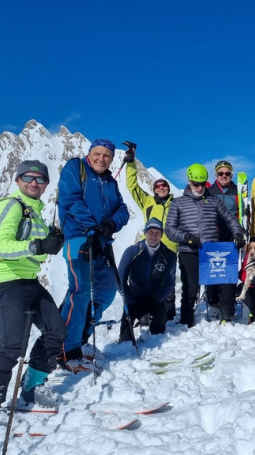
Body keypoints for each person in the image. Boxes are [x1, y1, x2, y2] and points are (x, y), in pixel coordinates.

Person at [0, 160, 65, 425]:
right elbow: (0, 248)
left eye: (40, 179)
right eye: (28, 177)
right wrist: (38, 246)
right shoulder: (10, 206)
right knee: (12, 346)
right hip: (5, 281)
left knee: (56, 330)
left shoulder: (34, 211)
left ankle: (32, 384)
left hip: (28, 280)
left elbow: (38, 246)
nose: (34, 183)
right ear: (17, 180)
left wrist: (52, 241)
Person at [58, 138, 130, 372]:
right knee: (79, 293)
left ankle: (80, 338)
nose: (102, 158)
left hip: (101, 242)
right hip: (79, 238)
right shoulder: (75, 168)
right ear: (90, 154)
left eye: (107, 155)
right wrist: (92, 226)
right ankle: (67, 351)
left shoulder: (109, 180)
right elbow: (70, 200)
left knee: (107, 292)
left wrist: (110, 224)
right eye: (97, 153)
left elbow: (122, 209)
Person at [165, 164, 246, 327]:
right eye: (196, 183)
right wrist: (187, 237)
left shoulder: (213, 200)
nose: (199, 187)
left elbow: (230, 219)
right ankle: (186, 320)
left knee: (223, 282)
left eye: (202, 183)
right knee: (190, 286)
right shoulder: (178, 203)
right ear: (189, 181)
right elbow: (169, 230)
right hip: (189, 250)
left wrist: (238, 233)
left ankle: (227, 315)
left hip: (211, 249)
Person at [122, 146, 178, 322]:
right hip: (149, 247)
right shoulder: (147, 201)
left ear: (169, 188)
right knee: (147, 279)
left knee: (167, 280)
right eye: (157, 186)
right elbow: (132, 186)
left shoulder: (176, 204)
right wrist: (131, 162)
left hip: (169, 247)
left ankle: (167, 314)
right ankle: (143, 312)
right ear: (154, 189)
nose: (161, 188)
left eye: (164, 185)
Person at [117, 218, 177, 341]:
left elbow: (169, 282)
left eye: (157, 233)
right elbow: (120, 277)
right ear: (145, 233)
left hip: (155, 298)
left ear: (161, 235)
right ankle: (125, 345)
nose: (153, 236)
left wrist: (157, 299)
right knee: (126, 325)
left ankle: (155, 339)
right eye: (150, 232)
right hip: (134, 297)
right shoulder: (133, 251)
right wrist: (128, 298)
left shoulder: (168, 255)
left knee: (159, 327)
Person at [206, 160, 240, 321]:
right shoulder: (209, 191)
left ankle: (228, 307)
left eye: (227, 173)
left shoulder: (237, 190)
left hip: (231, 236)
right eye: (221, 173)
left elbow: (242, 214)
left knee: (229, 273)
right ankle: (213, 304)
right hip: (212, 236)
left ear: (231, 174)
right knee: (212, 272)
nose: (224, 176)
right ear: (216, 175)